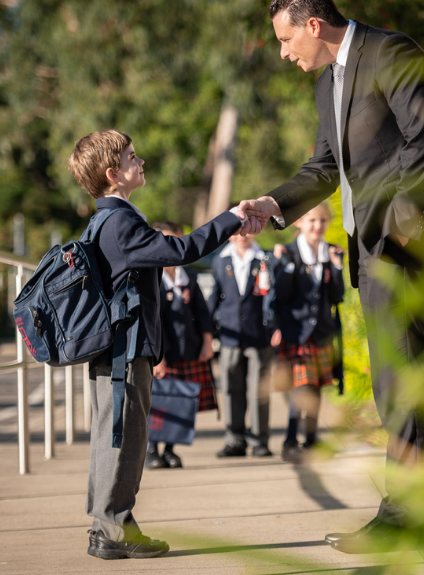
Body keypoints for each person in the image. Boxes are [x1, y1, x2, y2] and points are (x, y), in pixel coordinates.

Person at [237, 0, 424, 553]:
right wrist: (273, 205)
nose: (285, 51)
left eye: (287, 39)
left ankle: (407, 518)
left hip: (406, 244)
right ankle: (408, 515)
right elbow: (322, 167)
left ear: (313, 26)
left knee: (404, 383)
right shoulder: (327, 85)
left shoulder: (392, 52)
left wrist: (397, 233)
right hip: (371, 249)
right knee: (396, 384)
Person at [67, 129, 249, 560]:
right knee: (125, 439)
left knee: (113, 438)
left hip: (114, 351)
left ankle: (108, 527)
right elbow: (182, 249)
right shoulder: (121, 223)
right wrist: (233, 217)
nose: (140, 160)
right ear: (113, 174)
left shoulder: (104, 220)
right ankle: (115, 529)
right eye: (132, 156)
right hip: (125, 352)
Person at [269, 201, 344, 463]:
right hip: (295, 331)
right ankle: (291, 440)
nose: (317, 226)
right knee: (300, 388)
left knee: (315, 389)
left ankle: (311, 440)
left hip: (321, 332)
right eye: (312, 220)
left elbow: (337, 296)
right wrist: (287, 266)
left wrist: (336, 267)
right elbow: (281, 295)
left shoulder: (331, 252)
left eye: (322, 221)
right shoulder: (287, 252)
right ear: (299, 223)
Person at [144, 221, 219, 470]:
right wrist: (158, 357)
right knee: (160, 404)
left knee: (181, 403)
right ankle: (152, 449)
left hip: (189, 350)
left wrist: (208, 342)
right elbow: (151, 321)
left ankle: (171, 450)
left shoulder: (189, 277)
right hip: (165, 353)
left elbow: (203, 312)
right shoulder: (151, 278)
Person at [208, 232, 275, 458]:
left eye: (247, 229)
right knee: (230, 388)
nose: (242, 235)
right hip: (230, 334)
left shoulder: (265, 258)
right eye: (237, 230)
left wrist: (275, 326)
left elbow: (273, 295)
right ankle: (234, 439)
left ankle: (259, 440)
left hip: (258, 335)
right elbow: (215, 297)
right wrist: (207, 330)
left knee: (259, 390)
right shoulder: (221, 260)